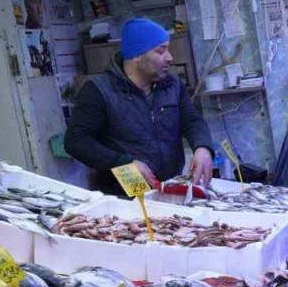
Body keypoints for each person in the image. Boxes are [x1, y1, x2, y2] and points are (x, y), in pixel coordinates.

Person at [66, 18, 213, 195]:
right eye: (161, 51)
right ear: (137, 56)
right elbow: (76, 141)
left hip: (169, 188)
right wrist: (123, 162)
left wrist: (202, 147)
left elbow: (192, 120)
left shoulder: (172, 84)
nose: (170, 57)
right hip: (123, 197)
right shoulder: (99, 90)